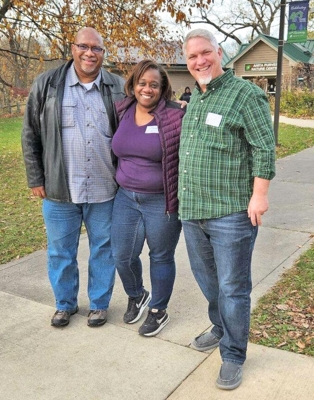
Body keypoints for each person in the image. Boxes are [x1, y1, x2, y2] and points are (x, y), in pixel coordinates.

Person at [178, 29, 276, 390]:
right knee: (208, 282)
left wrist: (259, 195)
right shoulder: (195, 100)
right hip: (193, 210)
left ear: (219, 52)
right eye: (192, 57)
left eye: (205, 53)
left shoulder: (245, 95)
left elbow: (264, 148)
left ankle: (233, 353)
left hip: (231, 214)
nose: (200, 61)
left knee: (233, 287)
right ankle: (220, 327)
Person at [22, 27, 125, 328]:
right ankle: (65, 304)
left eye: (97, 48)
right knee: (60, 251)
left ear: (104, 53)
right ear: (73, 48)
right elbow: (30, 134)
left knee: (104, 249)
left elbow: (137, 122)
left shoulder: (117, 86)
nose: (90, 53)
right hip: (59, 189)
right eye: (84, 46)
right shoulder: (47, 85)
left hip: (105, 188)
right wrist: (35, 177)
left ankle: (99, 305)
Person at [111, 60, 184, 337]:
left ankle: (158, 310)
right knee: (122, 255)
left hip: (161, 201)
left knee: (161, 256)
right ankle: (137, 294)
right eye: (142, 83)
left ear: (162, 88)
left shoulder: (175, 115)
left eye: (154, 84)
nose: (147, 89)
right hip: (125, 198)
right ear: (133, 84)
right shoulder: (122, 110)